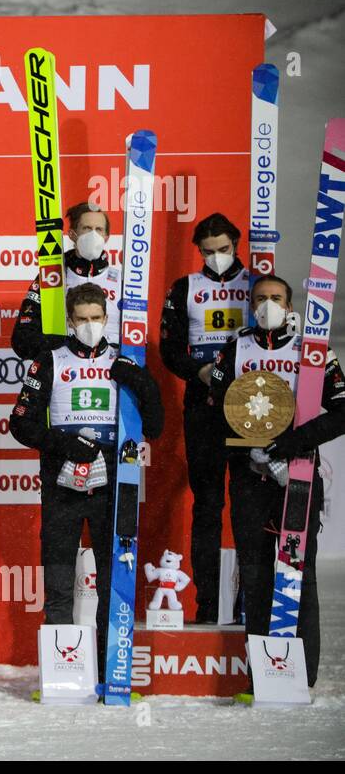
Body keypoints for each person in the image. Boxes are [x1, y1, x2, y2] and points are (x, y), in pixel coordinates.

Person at [9, 283, 164, 686]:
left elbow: (158, 426)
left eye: (98, 318)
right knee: (59, 579)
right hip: (61, 479)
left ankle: (111, 673)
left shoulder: (123, 362)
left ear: (107, 318)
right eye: (83, 319)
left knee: (115, 581)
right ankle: (64, 677)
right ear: (70, 322)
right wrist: (63, 441)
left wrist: (141, 382)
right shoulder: (50, 360)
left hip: (113, 479)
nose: (91, 326)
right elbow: (21, 423)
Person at [209, 274, 345, 691]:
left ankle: (302, 678)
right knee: (255, 575)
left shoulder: (314, 351)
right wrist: (246, 445)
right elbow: (216, 410)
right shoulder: (236, 347)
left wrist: (291, 442)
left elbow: (341, 410)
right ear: (251, 304)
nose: (268, 305)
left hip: (299, 474)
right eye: (261, 298)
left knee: (298, 574)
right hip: (250, 477)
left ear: (290, 306)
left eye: (276, 298)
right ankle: (261, 677)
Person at [159, 213, 249, 622]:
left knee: (250, 508)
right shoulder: (185, 288)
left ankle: (250, 607)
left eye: (224, 250)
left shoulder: (258, 285)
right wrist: (199, 373)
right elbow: (170, 347)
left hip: (252, 409)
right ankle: (208, 606)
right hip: (203, 407)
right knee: (208, 506)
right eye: (208, 252)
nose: (217, 258)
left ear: (236, 245)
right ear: (199, 251)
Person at [12, 201, 121, 361]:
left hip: (110, 373)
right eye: (86, 229)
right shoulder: (52, 279)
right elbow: (22, 340)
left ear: (106, 236)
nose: (93, 235)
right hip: (63, 371)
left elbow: (136, 340)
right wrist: (63, 345)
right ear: (72, 234)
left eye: (99, 229)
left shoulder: (122, 281)